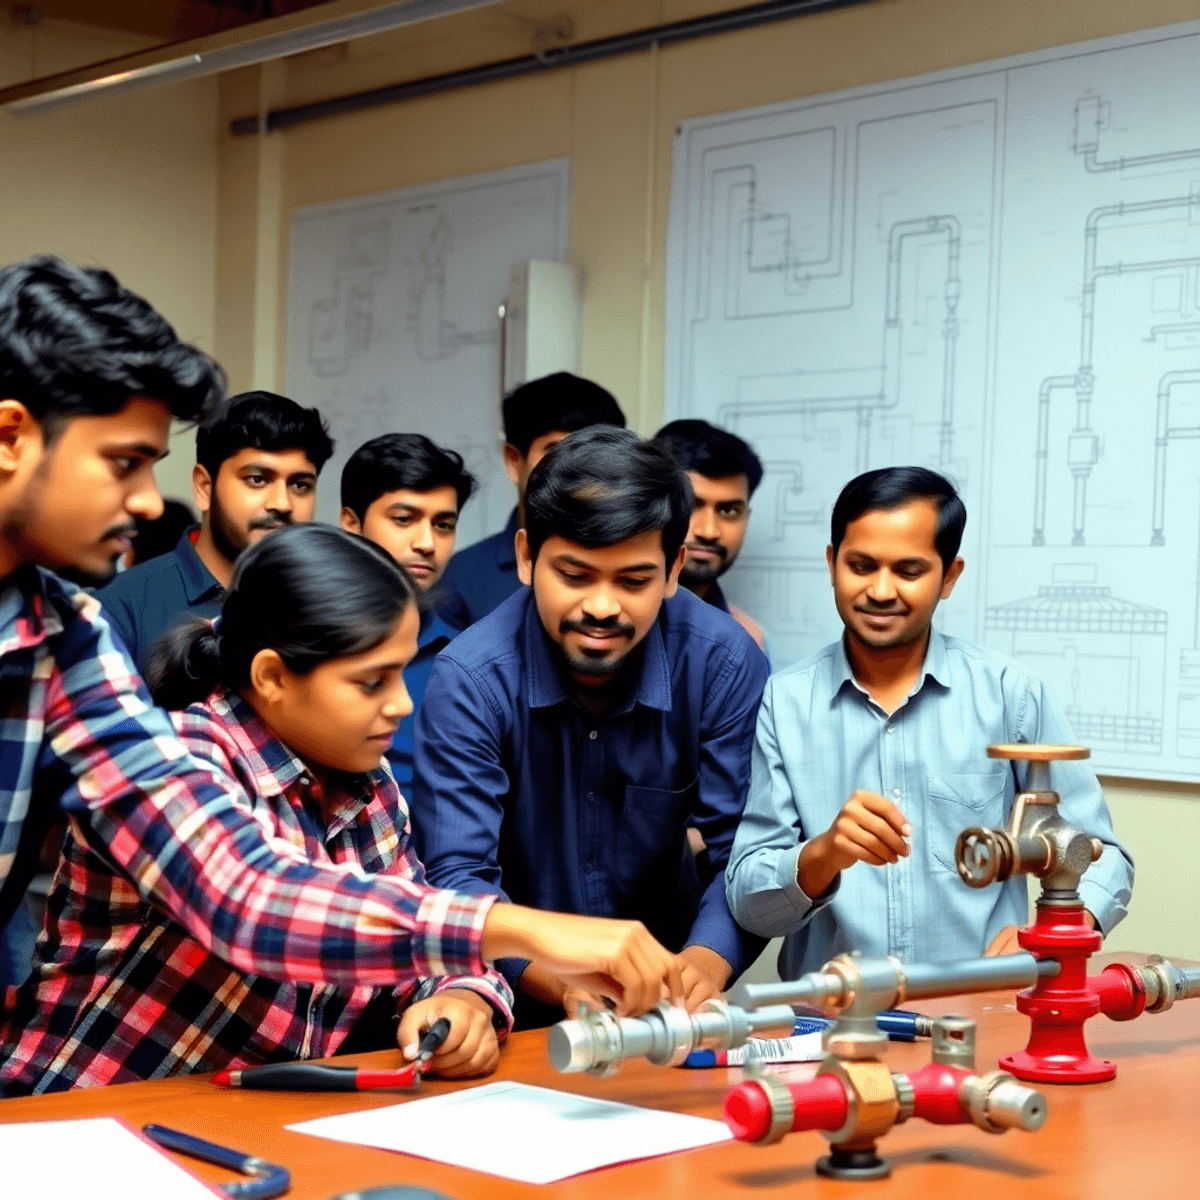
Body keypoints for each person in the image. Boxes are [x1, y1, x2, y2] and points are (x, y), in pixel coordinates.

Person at [0, 255, 683, 1051]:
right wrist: (520, 929)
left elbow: (234, 881)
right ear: (12, 436)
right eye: (124, 462)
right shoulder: (182, 713)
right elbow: (244, 901)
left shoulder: (68, 638)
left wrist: (466, 980)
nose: (151, 501)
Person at [0, 525, 689, 1093]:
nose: (402, 704)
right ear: (272, 676)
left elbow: (415, 934)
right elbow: (256, 900)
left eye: (401, 670)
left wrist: (461, 999)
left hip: (256, 1127)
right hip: (83, 1119)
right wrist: (527, 931)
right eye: (371, 681)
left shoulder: (369, 784)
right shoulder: (184, 757)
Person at [412, 427, 770, 1027]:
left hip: (667, 1001)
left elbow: (748, 855)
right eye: (575, 575)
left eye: (633, 581)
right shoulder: (470, 679)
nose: (602, 606)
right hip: (510, 1001)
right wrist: (561, 981)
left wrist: (704, 964)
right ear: (527, 557)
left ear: (674, 568)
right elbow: (456, 874)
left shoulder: (722, 661)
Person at [725, 466, 1134, 978]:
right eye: (861, 565)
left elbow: (1103, 856)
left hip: (982, 1014)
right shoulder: (785, 702)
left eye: (909, 571)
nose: (880, 590)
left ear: (950, 577)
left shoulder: (1012, 696)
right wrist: (822, 854)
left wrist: (1053, 933)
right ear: (832, 564)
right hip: (833, 1025)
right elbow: (748, 904)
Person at [98, 390, 333, 671]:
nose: (282, 503)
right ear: (204, 487)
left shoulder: (329, 603)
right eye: (257, 480)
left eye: (300, 485)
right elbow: (99, 713)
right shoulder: (121, 607)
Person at [340, 433, 474, 793]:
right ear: (352, 525)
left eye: (443, 525)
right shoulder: (305, 641)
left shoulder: (465, 662)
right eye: (403, 519)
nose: (427, 544)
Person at [440, 373, 625, 627]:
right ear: (515, 461)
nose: (578, 469)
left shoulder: (637, 565)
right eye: (556, 452)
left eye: (594, 453)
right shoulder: (463, 576)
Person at [654, 419, 767, 653]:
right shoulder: (606, 624)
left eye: (729, 511)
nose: (708, 531)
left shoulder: (752, 641)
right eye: (690, 506)